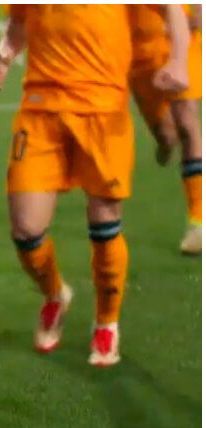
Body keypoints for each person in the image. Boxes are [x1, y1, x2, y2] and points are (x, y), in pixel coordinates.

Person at [0, 6, 189, 366]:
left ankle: (107, 322)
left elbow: (172, 7)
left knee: (104, 224)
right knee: (26, 229)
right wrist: (3, 55)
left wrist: (178, 60)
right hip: (40, 110)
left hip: (102, 111)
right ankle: (54, 295)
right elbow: (19, 22)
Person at [129, 5, 202, 254]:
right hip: (139, 51)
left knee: (186, 120)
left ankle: (198, 221)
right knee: (168, 135)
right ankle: (164, 143)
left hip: (180, 36)